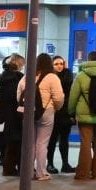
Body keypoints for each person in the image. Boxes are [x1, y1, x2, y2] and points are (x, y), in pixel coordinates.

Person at [68, 51, 96, 180]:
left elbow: (73, 96)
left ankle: (83, 173)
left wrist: (71, 111)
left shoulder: (81, 76)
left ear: (88, 60)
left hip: (85, 115)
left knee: (86, 143)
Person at [30, 53, 64, 181]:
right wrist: (56, 107)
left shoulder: (29, 75)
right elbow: (59, 97)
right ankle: (41, 172)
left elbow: (19, 95)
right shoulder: (52, 77)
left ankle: (28, 171)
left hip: (30, 112)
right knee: (42, 143)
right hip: (46, 111)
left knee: (30, 143)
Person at [0, 55, 25, 177]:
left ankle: (9, 167)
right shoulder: (18, 80)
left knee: (11, 142)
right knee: (18, 142)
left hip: (8, 114)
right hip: (17, 114)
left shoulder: (4, 79)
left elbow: (0, 97)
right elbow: (18, 97)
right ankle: (15, 168)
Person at [46, 55, 75, 173]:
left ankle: (65, 164)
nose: (59, 66)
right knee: (52, 140)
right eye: (56, 64)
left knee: (64, 139)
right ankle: (50, 164)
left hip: (65, 112)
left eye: (61, 64)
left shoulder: (67, 75)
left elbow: (68, 84)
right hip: (53, 111)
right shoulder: (50, 77)